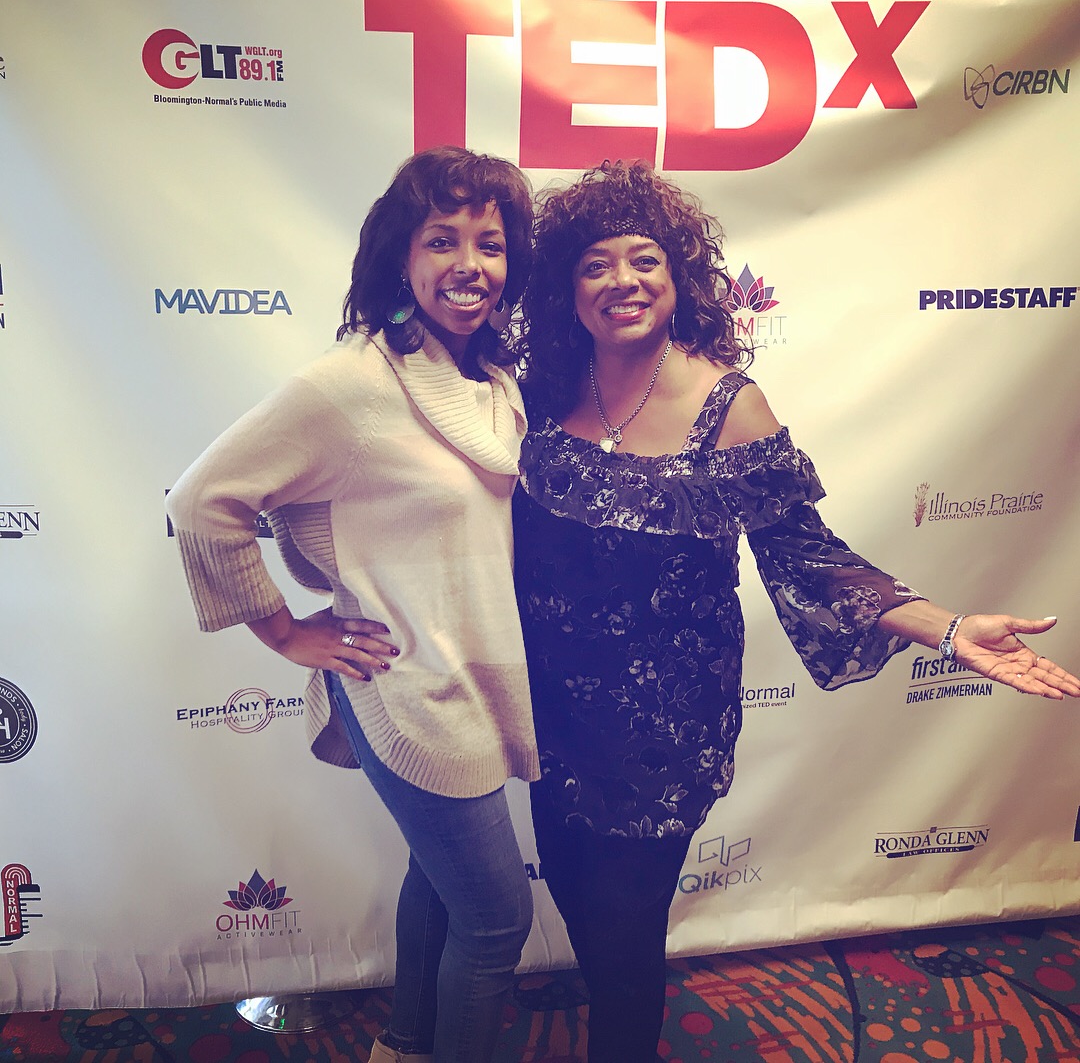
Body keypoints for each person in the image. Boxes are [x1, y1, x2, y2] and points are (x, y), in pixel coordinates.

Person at [512, 159, 1080, 1063]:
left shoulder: (727, 405)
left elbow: (806, 554)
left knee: (623, 943)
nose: (623, 281)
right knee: (579, 902)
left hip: (661, 730)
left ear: (677, 276)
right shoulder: (540, 388)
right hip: (550, 710)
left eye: (645, 259)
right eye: (595, 265)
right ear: (566, 289)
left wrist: (945, 628)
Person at [166, 146, 539, 1063]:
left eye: (490, 244)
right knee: (496, 920)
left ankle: (404, 1047)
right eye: (442, 240)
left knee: (439, 885)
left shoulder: (493, 384)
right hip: (404, 691)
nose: (470, 265)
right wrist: (285, 630)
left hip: (472, 681)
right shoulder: (354, 385)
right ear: (401, 258)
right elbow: (201, 500)